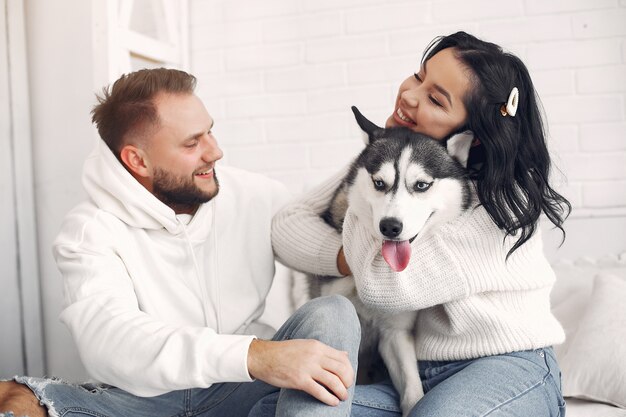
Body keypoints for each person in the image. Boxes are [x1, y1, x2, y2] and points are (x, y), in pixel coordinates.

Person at [0, 68, 360, 417]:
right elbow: (111, 340)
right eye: (193, 143)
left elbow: (328, 238)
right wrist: (254, 355)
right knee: (18, 401)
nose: (214, 152)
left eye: (210, 133)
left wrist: (391, 144)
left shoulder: (255, 196)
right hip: (141, 402)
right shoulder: (90, 229)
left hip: (239, 387)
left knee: (332, 314)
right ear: (137, 160)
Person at [267, 31, 570, 417]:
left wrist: (371, 192)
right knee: (271, 407)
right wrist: (344, 258)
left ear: (472, 135)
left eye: (435, 98)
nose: (409, 95)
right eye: (418, 76)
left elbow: (381, 285)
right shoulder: (394, 159)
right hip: (419, 370)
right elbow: (287, 226)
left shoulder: (500, 203)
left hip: (507, 367)